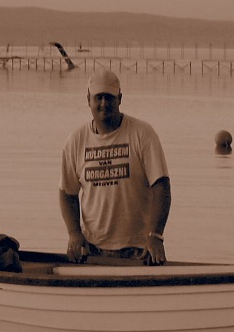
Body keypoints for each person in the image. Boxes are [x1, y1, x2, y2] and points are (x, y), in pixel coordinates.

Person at [59, 68, 170, 265]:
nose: (104, 104)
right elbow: (67, 193)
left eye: (109, 97)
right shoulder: (75, 141)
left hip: (140, 250)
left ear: (120, 98)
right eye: (98, 97)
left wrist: (156, 236)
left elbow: (161, 186)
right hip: (93, 249)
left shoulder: (142, 134)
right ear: (88, 99)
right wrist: (74, 234)